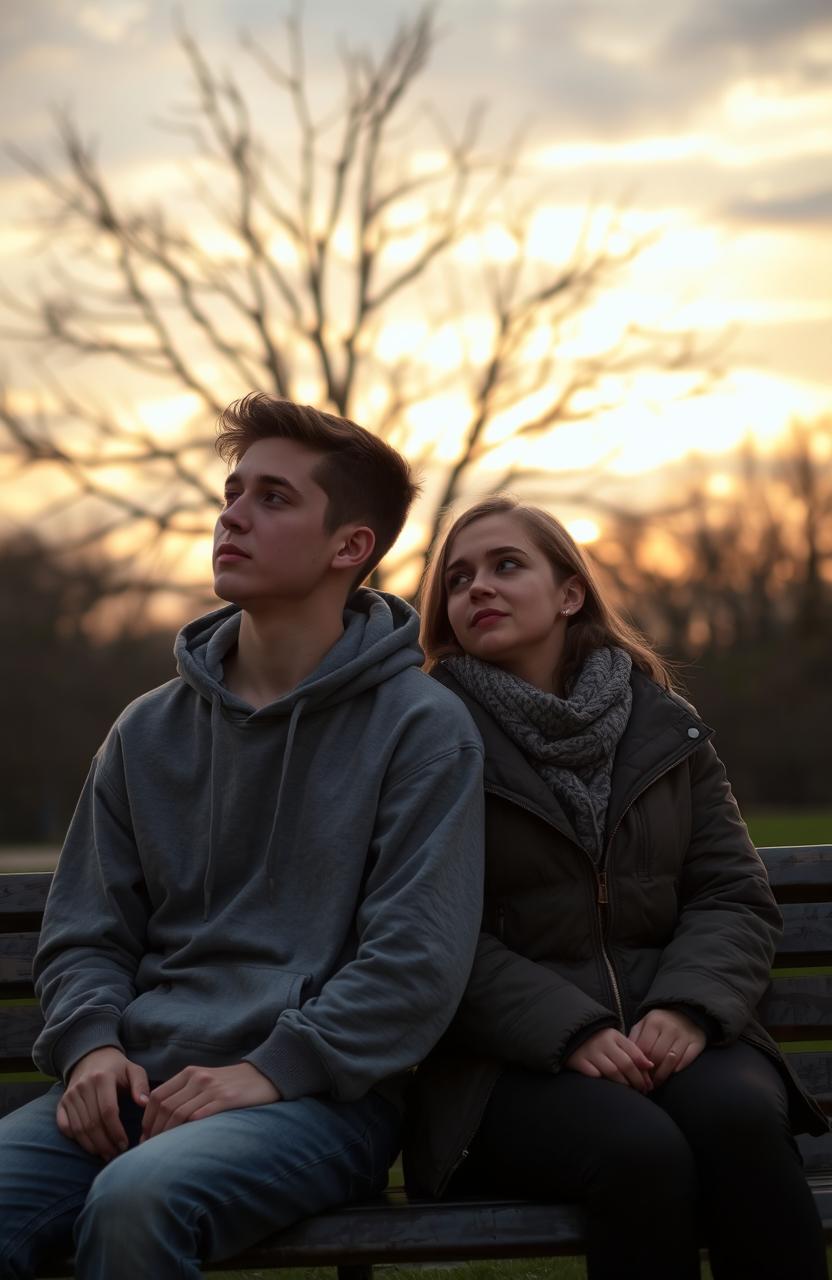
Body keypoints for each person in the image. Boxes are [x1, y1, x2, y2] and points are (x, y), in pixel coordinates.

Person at [0, 395, 485, 1280]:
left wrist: (267, 1069)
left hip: (317, 1099)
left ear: (351, 547)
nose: (232, 515)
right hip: (137, 1085)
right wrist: (92, 1047)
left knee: (139, 1201)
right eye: (233, 492)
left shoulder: (422, 729)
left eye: (273, 498)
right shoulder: (146, 730)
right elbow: (85, 932)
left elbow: (416, 962)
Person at [405, 494, 829, 1280]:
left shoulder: (664, 725)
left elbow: (733, 892)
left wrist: (688, 1007)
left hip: (679, 1033)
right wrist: (570, 1031)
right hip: (504, 1067)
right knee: (641, 1151)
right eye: (458, 579)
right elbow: (430, 933)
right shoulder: (431, 738)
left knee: (736, 1121)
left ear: (569, 593)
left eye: (506, 565)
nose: (477, 588)